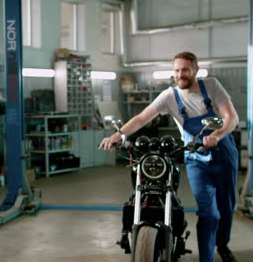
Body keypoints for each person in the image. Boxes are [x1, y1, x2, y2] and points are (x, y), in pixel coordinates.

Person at [100, 52, 239, 262]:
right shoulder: (169, 96)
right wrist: (119, 134)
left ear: (195, 70)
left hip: (222, 151)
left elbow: (232, 118)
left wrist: (216, 135)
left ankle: (222, 244)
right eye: (176, 70)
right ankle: (206, 259)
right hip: (194, 157)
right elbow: (141, 118)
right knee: (208, 212)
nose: (180, 74)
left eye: (185, 70)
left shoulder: (211, 86)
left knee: (226, 206)